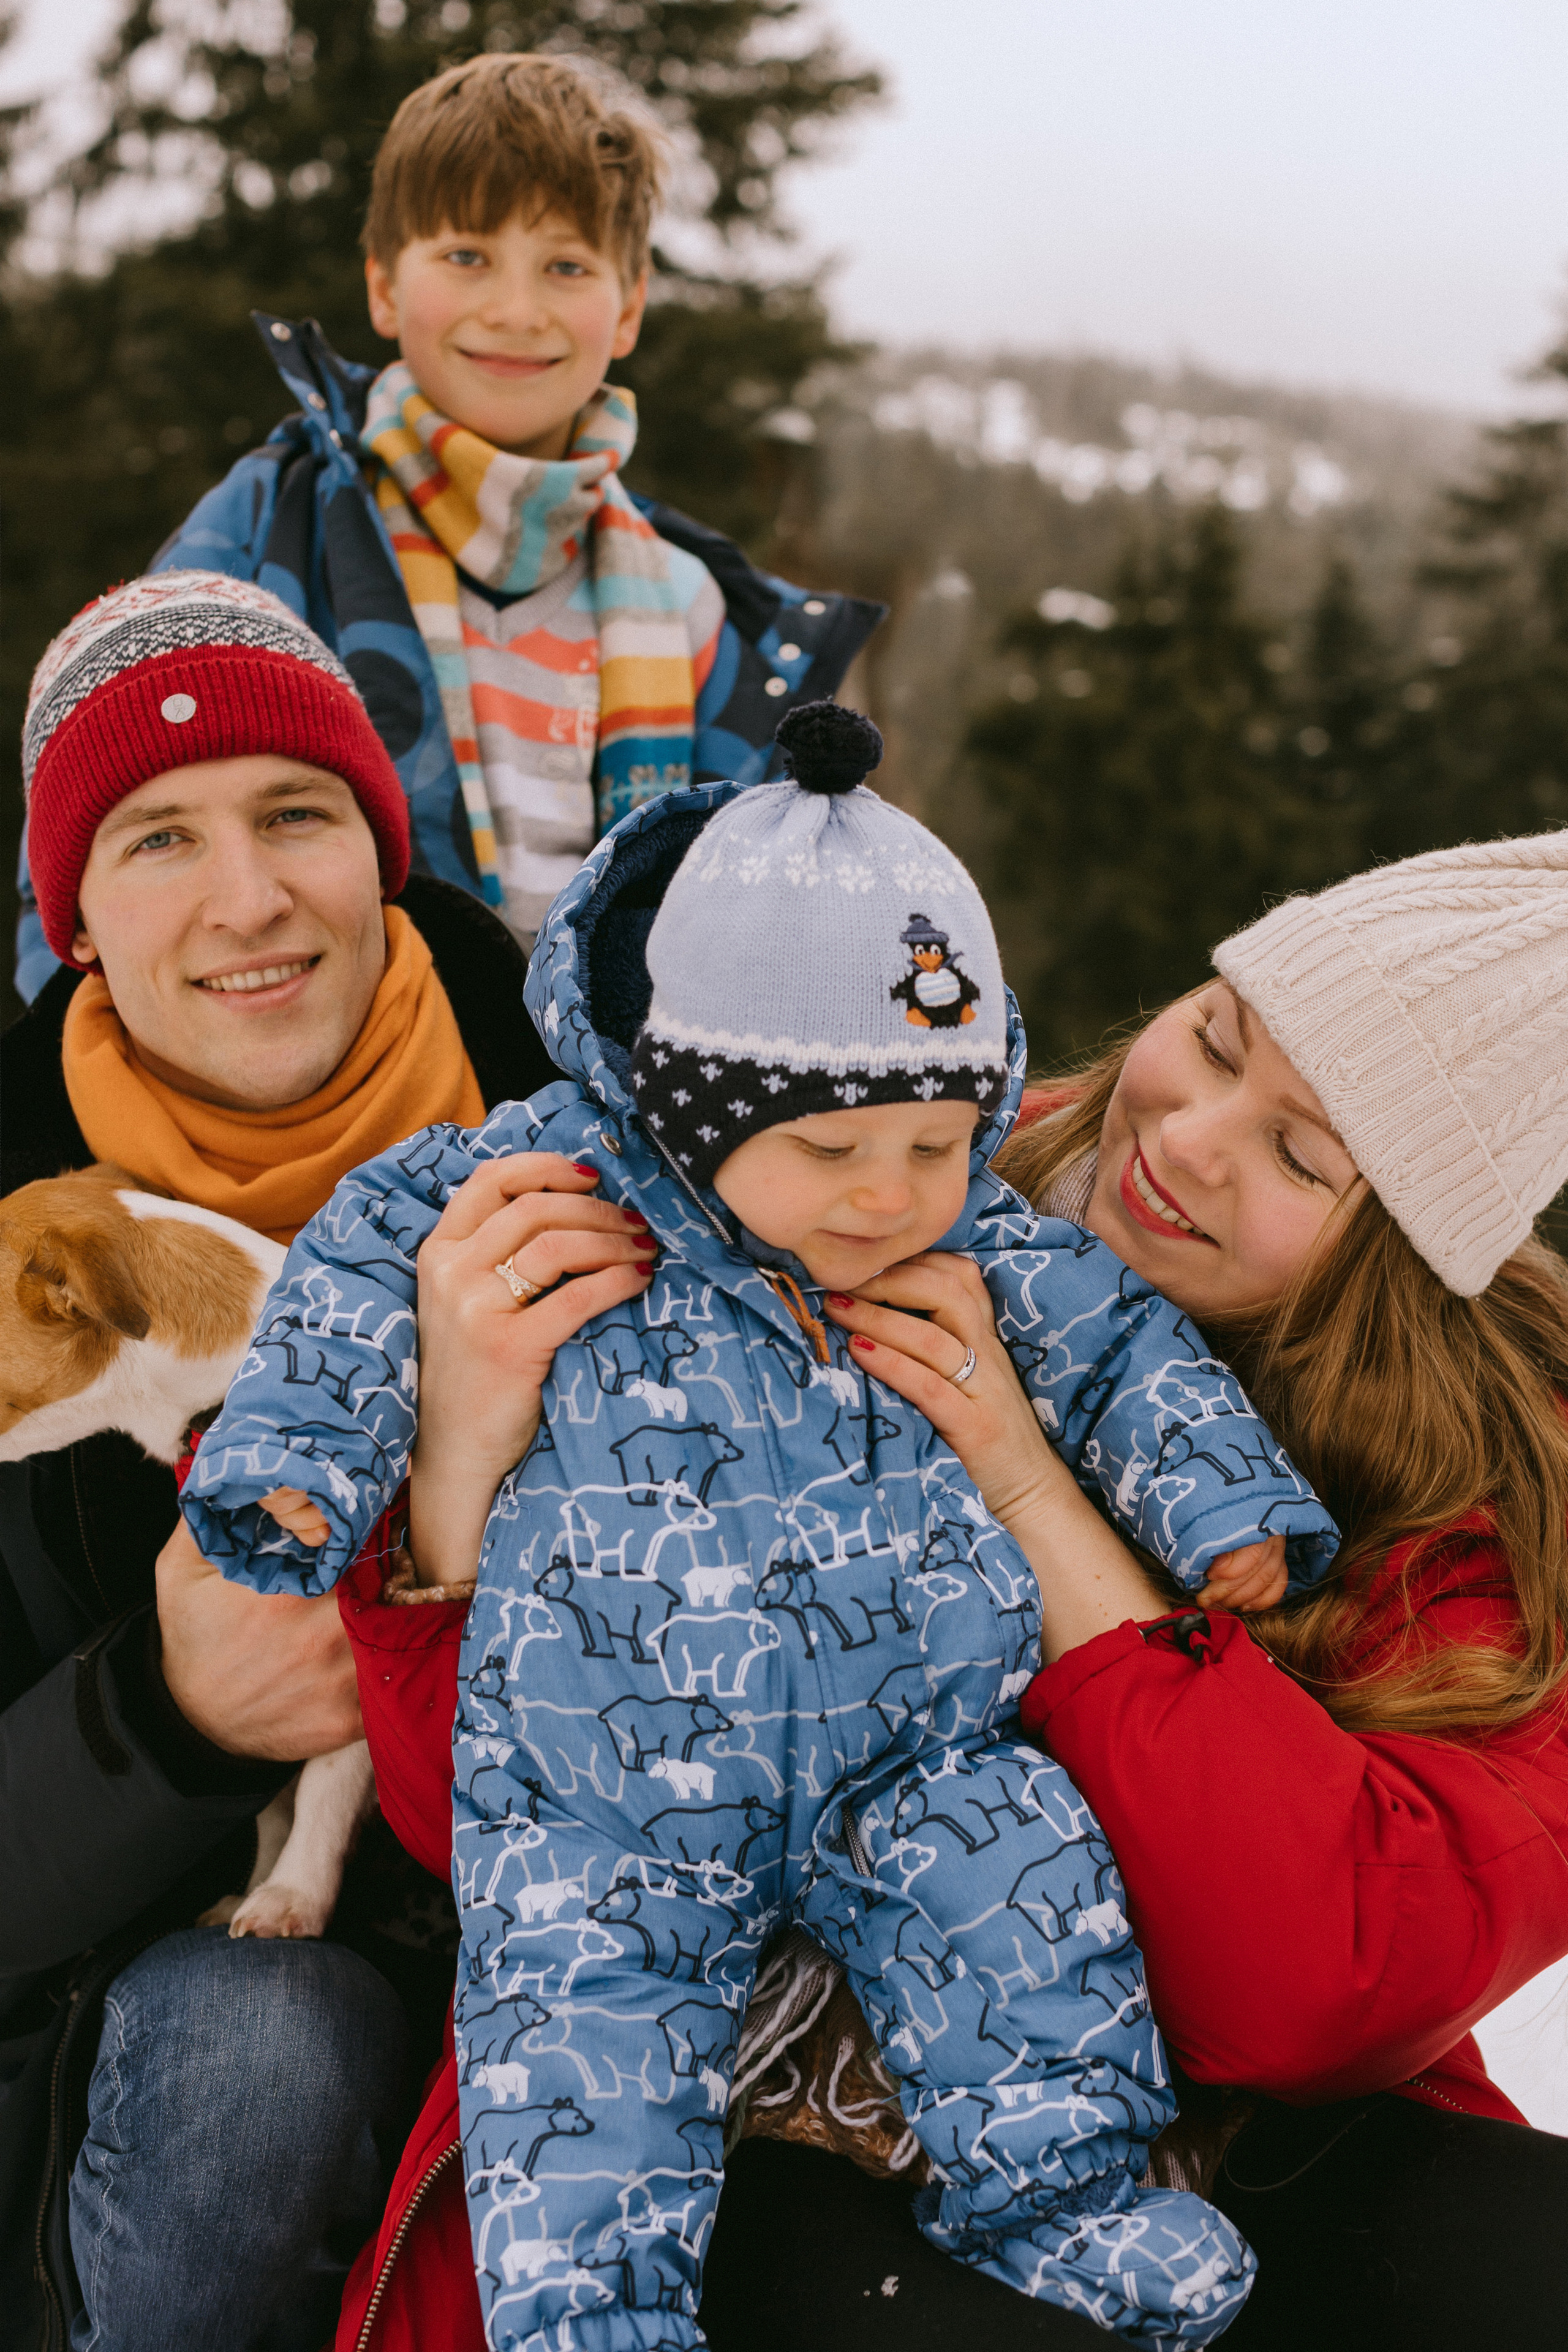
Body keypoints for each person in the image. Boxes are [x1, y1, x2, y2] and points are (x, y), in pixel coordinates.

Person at [181, 706, 1361, 2348]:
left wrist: (1222, 1495)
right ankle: (591, 2321)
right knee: (584, 2054)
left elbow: (1115, 1348)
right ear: (687, 1094)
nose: (892, 1195)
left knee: (1028, 1909)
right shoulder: (524, 1185)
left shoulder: (982, 1232)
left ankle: (1067, 2199)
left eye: (939, 1146)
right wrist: (296, 1470)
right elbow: (346, 1291)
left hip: (919, 1746)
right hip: (604, 1776)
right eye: (832, 1152)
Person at [0, 570, 653, 2352]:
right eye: (156, 839)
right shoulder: (13, 1254)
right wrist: (163, 1724)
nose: (249, 897)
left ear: (382, 850)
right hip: (119, 2050)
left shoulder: (614, 1144)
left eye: (298, 814)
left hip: (602, 1946)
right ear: (71, 916)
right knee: (253, 2058)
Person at [807, 829, 1568, 2349]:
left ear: (1405, 1265)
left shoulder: (1489, 1507)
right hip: (796, 2077)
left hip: (1226, 2110)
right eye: (1212, 1039)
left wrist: (1028, 1487)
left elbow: (1309, 1983)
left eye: (1300, 1156)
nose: (1187, 1138)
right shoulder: (868, 1178)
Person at [12, 52, 882, 1004]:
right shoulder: (272, 529)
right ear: (384, 287)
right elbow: (88, 836)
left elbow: (758, 926)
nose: (515, 310)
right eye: (467, 256)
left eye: (566, 265)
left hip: (605, 1117)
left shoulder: (697, 606)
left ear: (627, 307)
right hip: (337, 1087)